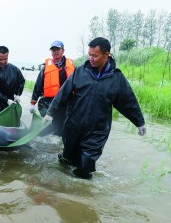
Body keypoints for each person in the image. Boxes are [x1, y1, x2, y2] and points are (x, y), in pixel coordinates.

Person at [43, 37, 146, 179]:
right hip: (74, 125)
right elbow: (63, 93)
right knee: (68, 159)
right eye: (89, 54)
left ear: (106, 55)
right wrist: (50, 112)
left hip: (98, 129)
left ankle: (81, 195)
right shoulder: (80, 71)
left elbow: (128, 101)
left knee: (86, 165)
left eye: (95, 55)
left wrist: (139, 121)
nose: (90, 58)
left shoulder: (116, 78)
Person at [29, 40, 75, 137]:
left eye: (57, 49)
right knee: (47, 128)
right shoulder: (46, 68)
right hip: (48, 102)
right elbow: (38, 86)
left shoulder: (71, 66)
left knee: (62, 128)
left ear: (63, 50)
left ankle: (60, 145)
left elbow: (78, 85)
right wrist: (33, 103)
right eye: (53, 50)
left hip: (66, 102)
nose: (55, 52)